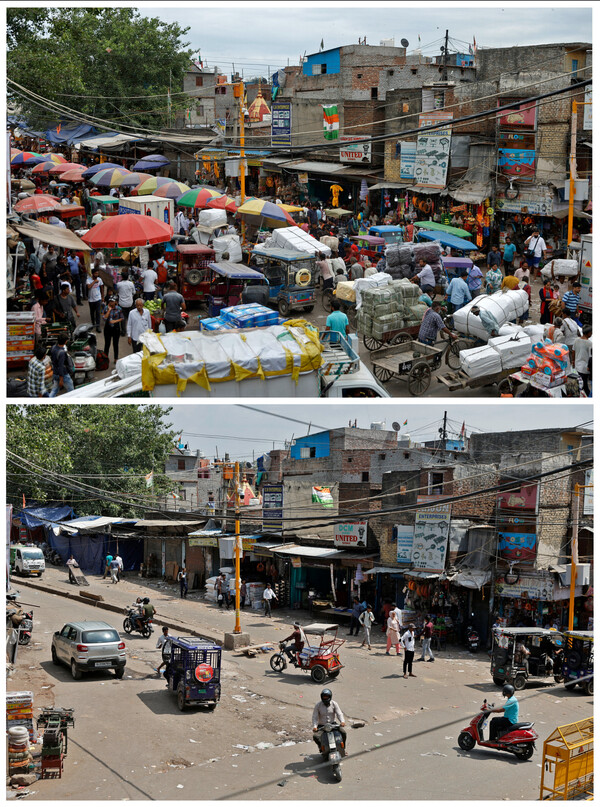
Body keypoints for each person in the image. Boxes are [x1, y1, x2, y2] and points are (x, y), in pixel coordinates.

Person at [312, 689, 347, 755]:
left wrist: (342, 721)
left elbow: (339, 713)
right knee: (316, 737)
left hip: (333, 725)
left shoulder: (334, 704)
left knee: (343, 733)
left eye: (326, 696)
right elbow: (315, 717)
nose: (325, 698)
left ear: (330, 697)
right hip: (322, 726)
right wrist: (315, 726)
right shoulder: (318, 705)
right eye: (324, 696)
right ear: (321, 697)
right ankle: (321, 748)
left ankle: (343, 749)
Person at [102, 297, 124, 363]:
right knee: (107, 344)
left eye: (112, 301)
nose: (111, 302)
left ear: (115, 302)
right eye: (110, 301)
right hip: (107, 328)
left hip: (116, 328)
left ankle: (116, 358)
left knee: (115, 344)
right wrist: (109, 310)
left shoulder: (119, 309)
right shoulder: (106, 308)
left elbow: (122, 318)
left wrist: (115, 321)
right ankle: (105, 358)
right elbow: (104, 318)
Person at [574, 325, 592, 396]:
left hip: (577, 365)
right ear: (589, 333)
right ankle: (588, 396)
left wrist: (573, 361)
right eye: (591, 332)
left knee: (580, 383)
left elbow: (573, 351)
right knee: (584, 385)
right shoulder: (589, 343)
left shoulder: (576, 340)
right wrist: (589, 367)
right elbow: (591, 357)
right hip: (585, 367)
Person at [116, 270, 135, 336]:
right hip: (130, 303)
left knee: (123, 318)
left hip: (122, 303)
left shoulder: (119, 284)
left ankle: (124, 331)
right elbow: (134, 292)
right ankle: (132, 330)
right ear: (128, 277)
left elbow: (117, 291)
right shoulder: (131, 283)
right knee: (130, 317)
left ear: (122, 277)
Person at [87, 268, 104, 333]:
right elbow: (88, 287)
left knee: (98, 313)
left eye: (98, 273)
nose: (97, 274)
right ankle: (93, 323)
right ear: (93, 274)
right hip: (91, 299)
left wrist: (102, 297)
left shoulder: (100, 279)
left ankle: (98, 326)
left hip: (98, 299)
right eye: (96, 273)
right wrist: (94, 281)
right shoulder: (88, 280)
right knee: (92, 312)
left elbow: (102, 288)